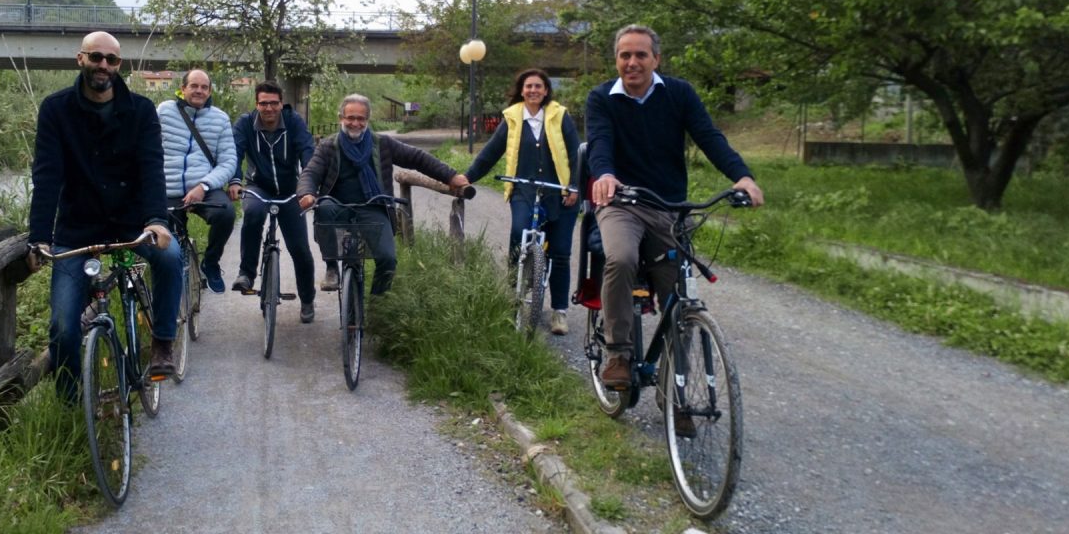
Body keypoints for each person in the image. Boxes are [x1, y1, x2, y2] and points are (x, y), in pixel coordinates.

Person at [586, 24, 765, 389]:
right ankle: (619, 352)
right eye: (625, 55)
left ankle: (676, 390)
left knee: (678, 297)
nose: (632, 62)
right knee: (620, 258)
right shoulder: (601, 97)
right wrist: (604, 174)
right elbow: (600, 142)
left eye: (640, 55)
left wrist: (742, 176)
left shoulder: (680, 94)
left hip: (669, 206)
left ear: (656, 59)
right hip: (621, 202)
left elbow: (710, 137)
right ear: (616, 59)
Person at [26, 31, 181, 399]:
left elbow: (151, 168)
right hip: (78, 227)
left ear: (119, 65)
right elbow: (47, 176)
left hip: (132, 221)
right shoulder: (56, 109)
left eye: (111, 60)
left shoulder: (141, 110)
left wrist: (157, 219)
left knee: (171, 257)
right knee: (63, 327)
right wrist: (38, 237)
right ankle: (71, 407)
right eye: (96, 57)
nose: (103, 66)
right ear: (80, 59)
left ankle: (162, 342)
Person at [298, 94, 470, 298]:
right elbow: (311, 172)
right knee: (323, 208)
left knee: (388, 260)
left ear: (367, 120)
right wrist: (307, 193)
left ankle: (378, 301)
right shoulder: (329, 146)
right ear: (341, 118)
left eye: (361, 118)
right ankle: (332, 268)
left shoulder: (382, 144)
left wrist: (450, 175)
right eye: (350, 118)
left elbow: (417, 158)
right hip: (338, 207)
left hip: (374, 207)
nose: (355, 123)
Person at [465, 68, 580, 335]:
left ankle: (559, 312)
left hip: (560, 192)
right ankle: (515, 294)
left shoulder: (559, 116)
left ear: (546, 90)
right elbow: (492, 152)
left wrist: (573, 186)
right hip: (524, 191)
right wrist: (468, 176)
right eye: (528, 86)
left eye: (538, 86)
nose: (533, 91)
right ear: (521, 89)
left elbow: (576, 154)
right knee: (520, 232)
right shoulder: (512, 117)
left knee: (561, 252)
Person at [228, 81, 318, 322]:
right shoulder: (246, 124)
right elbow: (234, 153)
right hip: (259, 187)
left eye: (273, 103)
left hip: (291, 190)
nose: (269, 108)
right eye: (263, 103)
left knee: (300, 248)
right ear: (256, 104)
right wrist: (235, 181)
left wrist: (308, 188)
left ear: (281, 104)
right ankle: (246, 273)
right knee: (253, 213)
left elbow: (308, 150)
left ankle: (308, 298)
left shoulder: (293, 121)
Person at [157, 69, 238, 294]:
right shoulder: (164, 111)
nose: (199, 91)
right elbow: (147, 147)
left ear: (210, 91)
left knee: (225, 213)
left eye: (204, 87)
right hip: (168, 187)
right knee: (167, 248)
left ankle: (210, 262)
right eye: (194, 86)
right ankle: (171, 291)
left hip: (204, 186)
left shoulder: (220, 119)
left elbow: (229, 161)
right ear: (183, 89)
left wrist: (203, 186)